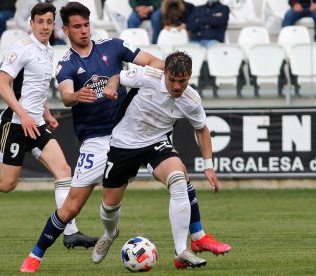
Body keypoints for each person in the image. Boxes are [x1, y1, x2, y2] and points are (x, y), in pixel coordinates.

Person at [19, 2, 230, 272]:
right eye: (77, 27)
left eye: (86, 25)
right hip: (97, 141)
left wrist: (155, 81)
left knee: (179, 177)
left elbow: (155, 63)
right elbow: (66, 95)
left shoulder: (114, 46)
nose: (83, 31)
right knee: (73, 207)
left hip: (142, 133)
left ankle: (193, 242)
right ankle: (40, 254)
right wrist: (76, 96)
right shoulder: (66, 63)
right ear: (65, 30)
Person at [0, 2, 96, 252]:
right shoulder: (22, 48)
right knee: (6, 185)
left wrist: (45, 113)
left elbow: (34, 88)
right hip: (15, 125)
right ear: (31, 24)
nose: (44, 26)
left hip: (37, 125)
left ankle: (70, 233)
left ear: (54, 25)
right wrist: (24, 114)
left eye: (49, 22)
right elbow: (1, 83)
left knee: (64, 171)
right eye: (39, 22)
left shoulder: (49, 50)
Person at [91, 51, 222, 269]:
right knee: (109, 205)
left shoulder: (191, 99)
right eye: (172, 80)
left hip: (156, 144)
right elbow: (116, 75)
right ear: (165, 73)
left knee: (178, 181)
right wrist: (112, 86)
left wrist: (208, 166)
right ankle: (109, 233)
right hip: (124, 144)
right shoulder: (147, 76)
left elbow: (202, 129)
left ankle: (181, 251)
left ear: (189, 76)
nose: (177, 86)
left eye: (182, 81)